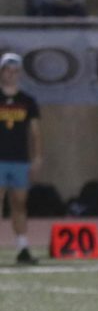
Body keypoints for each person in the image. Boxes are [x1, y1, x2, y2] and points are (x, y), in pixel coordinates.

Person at [0, 53, 41, 265]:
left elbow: (35, 132)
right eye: (8, 70)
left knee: (19, 203)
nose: (11, 74)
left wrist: (37, 157)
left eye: (15, 71)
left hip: (19, 159)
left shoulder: (27, 101)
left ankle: (23, 247)